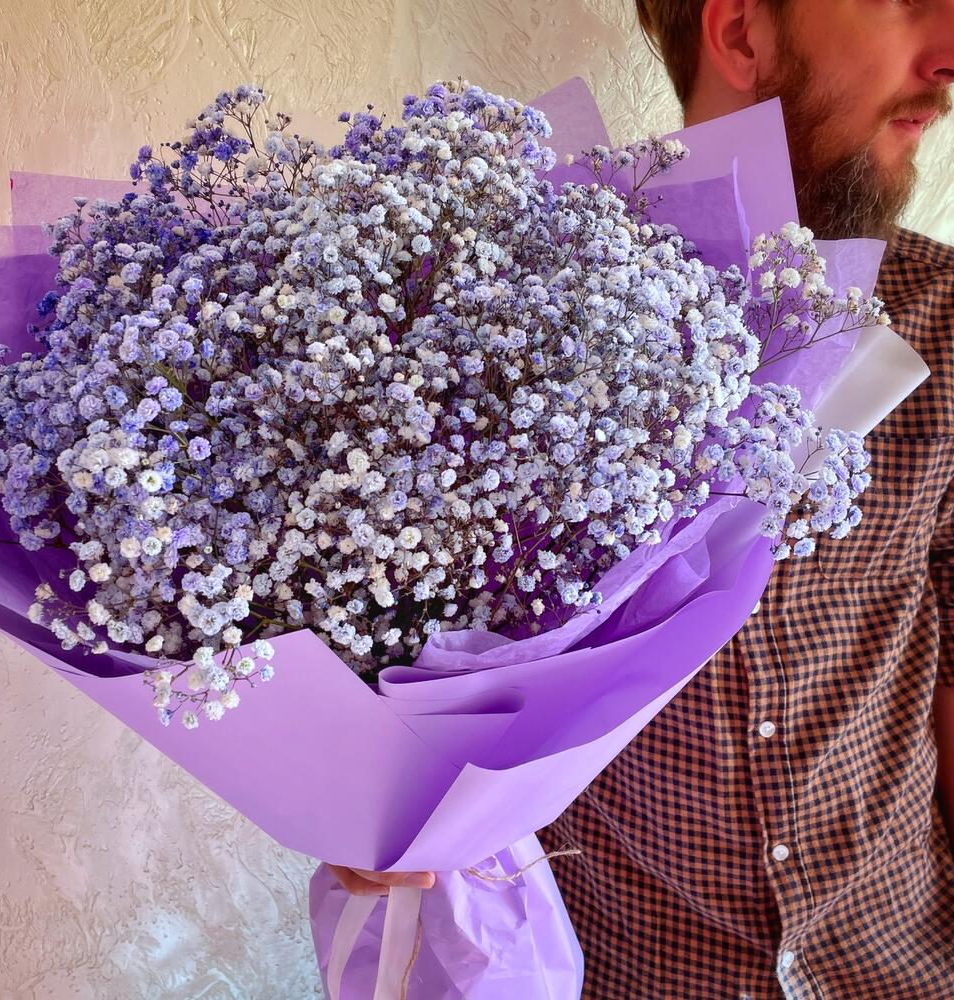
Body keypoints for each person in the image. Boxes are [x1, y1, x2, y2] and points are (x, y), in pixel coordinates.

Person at [329, 2, 954, 996]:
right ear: (741, 31)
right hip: (628, 969)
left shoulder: (944, 316)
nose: (949, 53)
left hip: (900, 960)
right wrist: (374, 808)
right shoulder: (488, 318)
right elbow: (386, 642)